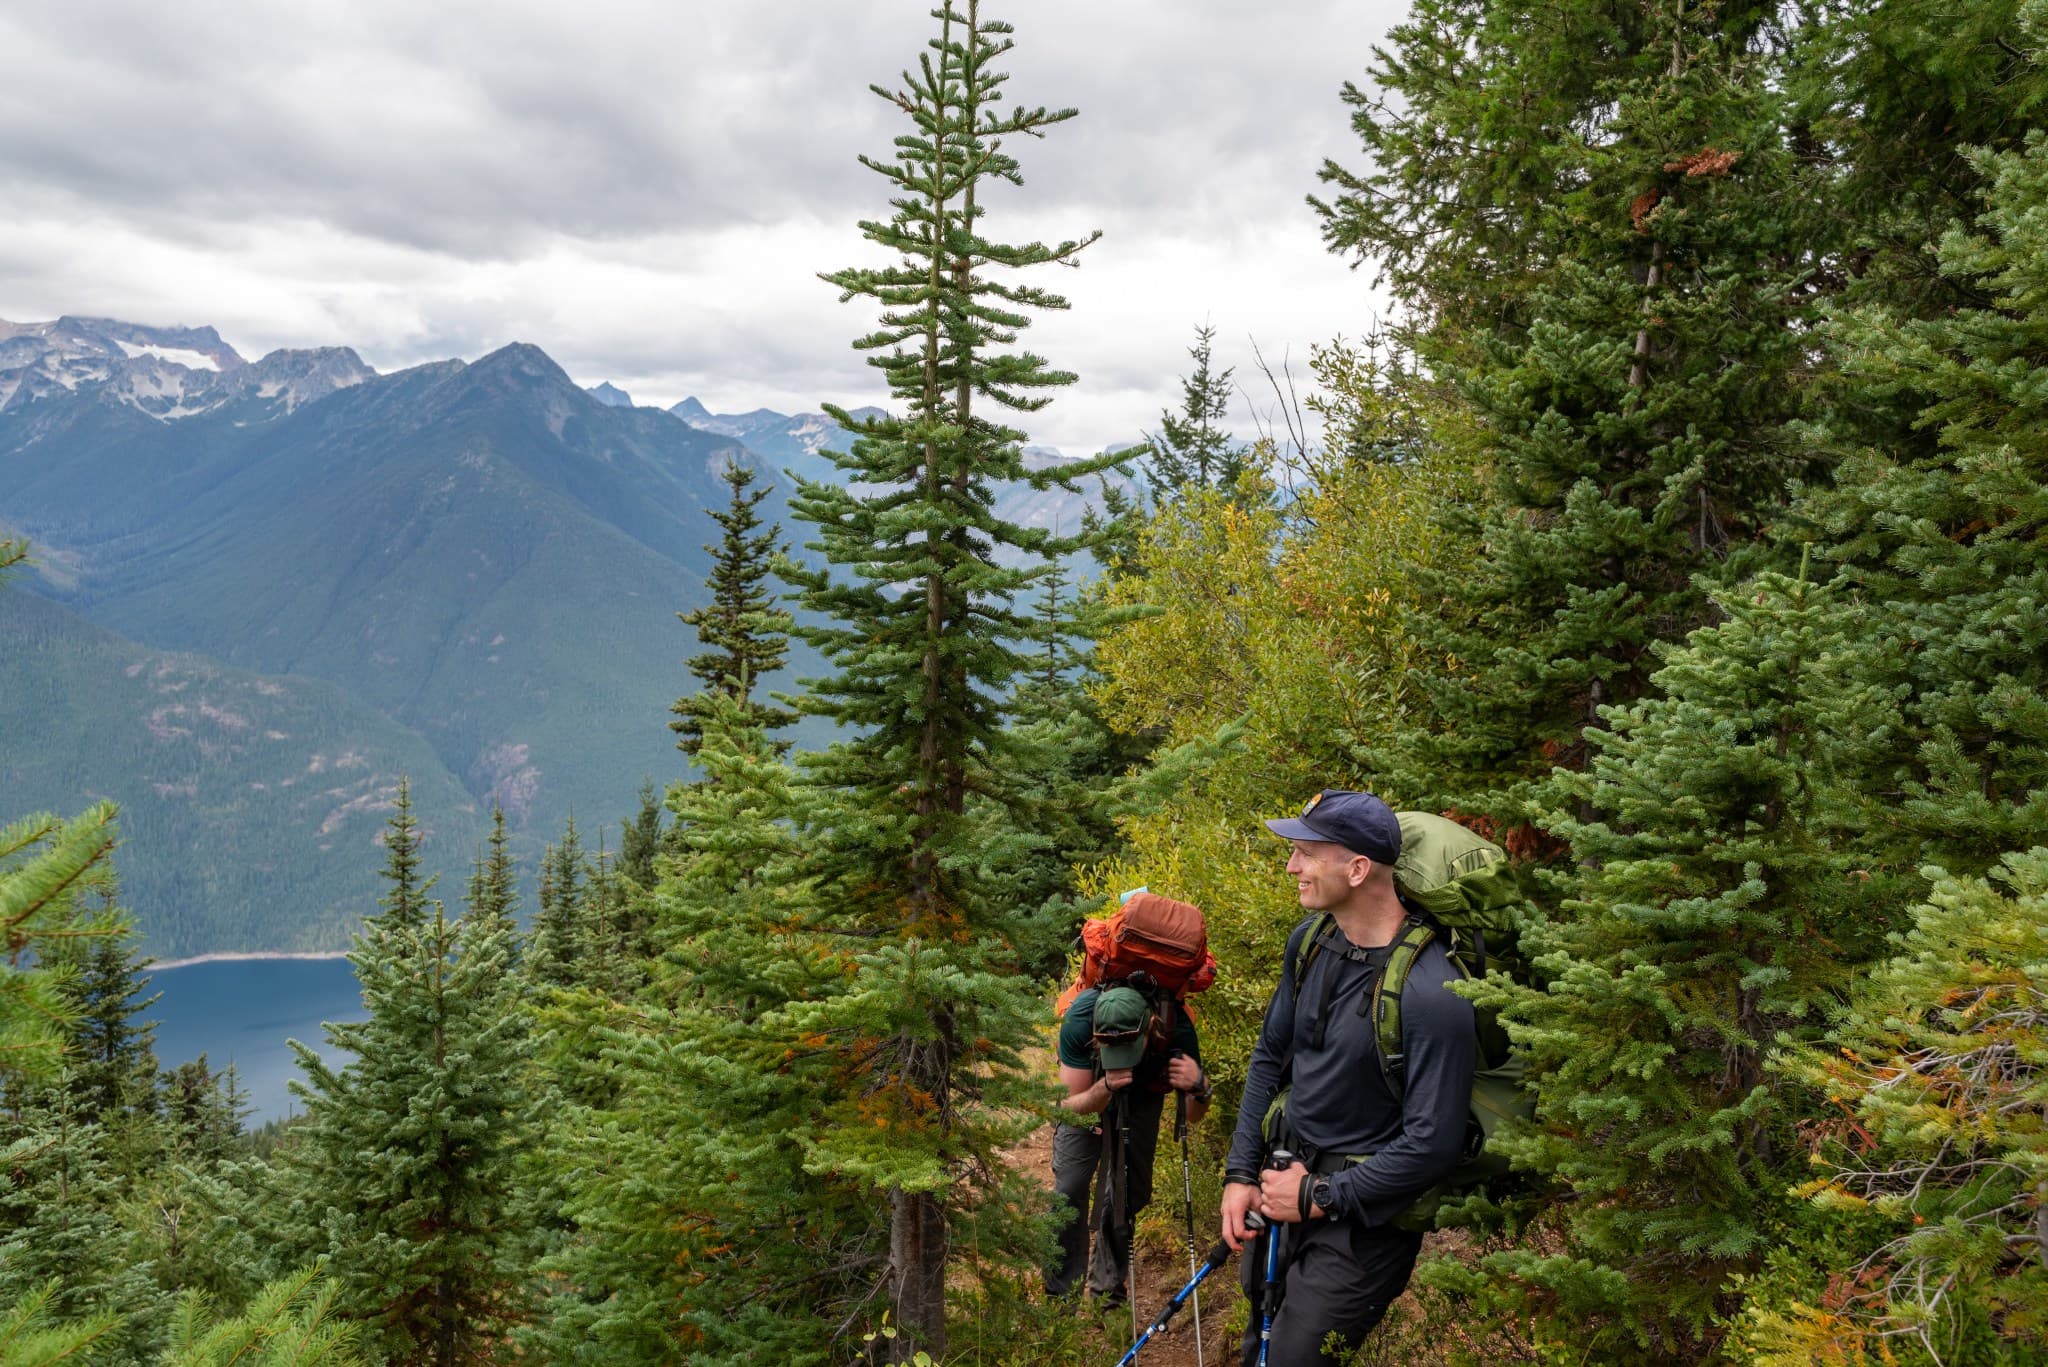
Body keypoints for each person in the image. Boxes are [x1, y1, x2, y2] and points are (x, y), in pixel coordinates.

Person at [1219, 789, 1478, 1364]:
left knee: (1291, 1356)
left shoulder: (1432, 993)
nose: (1292, 867)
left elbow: (1434, 1145)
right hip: (1285, 1188)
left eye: (1307, 853)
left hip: (1363, 1225)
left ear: (1358, 869)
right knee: (1256, 1341)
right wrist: (1241, 1174)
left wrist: (1320, 1195)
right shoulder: (1311, 943)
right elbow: (1270, 1056)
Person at [1047, 981, 1211, 1304]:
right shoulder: (1080, 1020)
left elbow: (1193, 1115)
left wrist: (1199, 1086)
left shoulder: (1175, 1029)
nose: (1120, 1057)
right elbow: (1065, 1108)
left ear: (1150, 1027)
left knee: (1129, 1191)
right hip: (1092, 1086)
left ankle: (1107, 1291)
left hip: (1144, 1091)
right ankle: (1059, 1298)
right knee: (1069, 1186)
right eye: (1112, 1048)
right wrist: (1103, 1089)